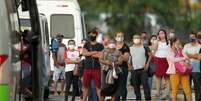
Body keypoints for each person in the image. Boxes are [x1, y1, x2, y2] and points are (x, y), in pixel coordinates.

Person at [82, 30, 104, 101]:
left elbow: (101, 56)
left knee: (98, 87)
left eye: (93, 34)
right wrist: (94, 52)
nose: (92, 36)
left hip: (96, 68)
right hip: (87, 68)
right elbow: (84, 53)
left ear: (96, 35)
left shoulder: (100, 45)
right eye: (91, 34)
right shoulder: (86, 44)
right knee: (85, 87)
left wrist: (89, 53)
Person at [128, 34, 151, 101]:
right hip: (134, 70)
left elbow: (150, 55)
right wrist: (129, 66)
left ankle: (148, 98)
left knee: (145, 85)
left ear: (140, 39)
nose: (136, 39)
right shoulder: (130, 48)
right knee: (136, 86)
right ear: (132, 39)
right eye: (135, 38)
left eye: (138, 38)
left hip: (143, 70)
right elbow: (129, 58)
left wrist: (147, 64)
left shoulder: (145, 47)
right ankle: (138, 98)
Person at [183, 32, 201, 101]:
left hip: (196, 69)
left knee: (198, 87)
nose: (191, 38)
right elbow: (184, 55)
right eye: (190, 37)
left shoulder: (199, 46)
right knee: (186, 86)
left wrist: (189, 55)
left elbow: (199, 57)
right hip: (187, 68)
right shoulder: (186, 45)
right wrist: (194, 55)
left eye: (193, 37)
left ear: (196, 37)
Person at [154, 29, 170, 99]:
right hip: (158, 60)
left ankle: (167, 93)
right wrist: (157, 41)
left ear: (165, 34)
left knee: (167, 77)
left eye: (163, 33)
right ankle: (157, 92)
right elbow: (154, 49)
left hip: (166, 60)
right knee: (158, 77)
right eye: (160, 33)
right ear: (158, 35)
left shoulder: (168, 42)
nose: (161, 35)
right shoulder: (157, 42)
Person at [114, 32, 130, 101]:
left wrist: (119, 55)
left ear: (123, 37)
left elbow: (126, 58)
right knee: (115, 86)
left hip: (123, 68)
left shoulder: (126, 47)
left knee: (122, 86)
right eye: (118, 36)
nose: (120, 37)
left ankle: (123, 99)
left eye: (121, 36)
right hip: (114, 68)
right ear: (115, 37)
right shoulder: (113, 46)